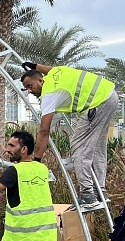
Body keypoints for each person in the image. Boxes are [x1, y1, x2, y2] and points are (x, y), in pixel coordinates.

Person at [19, 62, 119, 208]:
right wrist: (35, 66)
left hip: (97, 102)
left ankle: (88, 195)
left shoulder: (49, 94)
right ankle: (100, 191)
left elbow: (44, 131)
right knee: (98, 146)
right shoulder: (55, 73)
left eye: (30, 86)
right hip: (110, 95)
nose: (29, 91)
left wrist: (37, 161)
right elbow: (49, 69)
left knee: (79, 146)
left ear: (40, 81)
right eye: (26, 88)